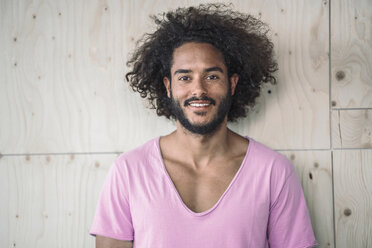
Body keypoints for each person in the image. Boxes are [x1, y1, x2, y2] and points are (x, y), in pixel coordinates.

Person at [89, 3, 318, 248]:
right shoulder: (129, 171)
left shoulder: (273, 172)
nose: (198, 89)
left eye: (212, 76)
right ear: (168, 86)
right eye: (185, 77)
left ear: (232, 84)